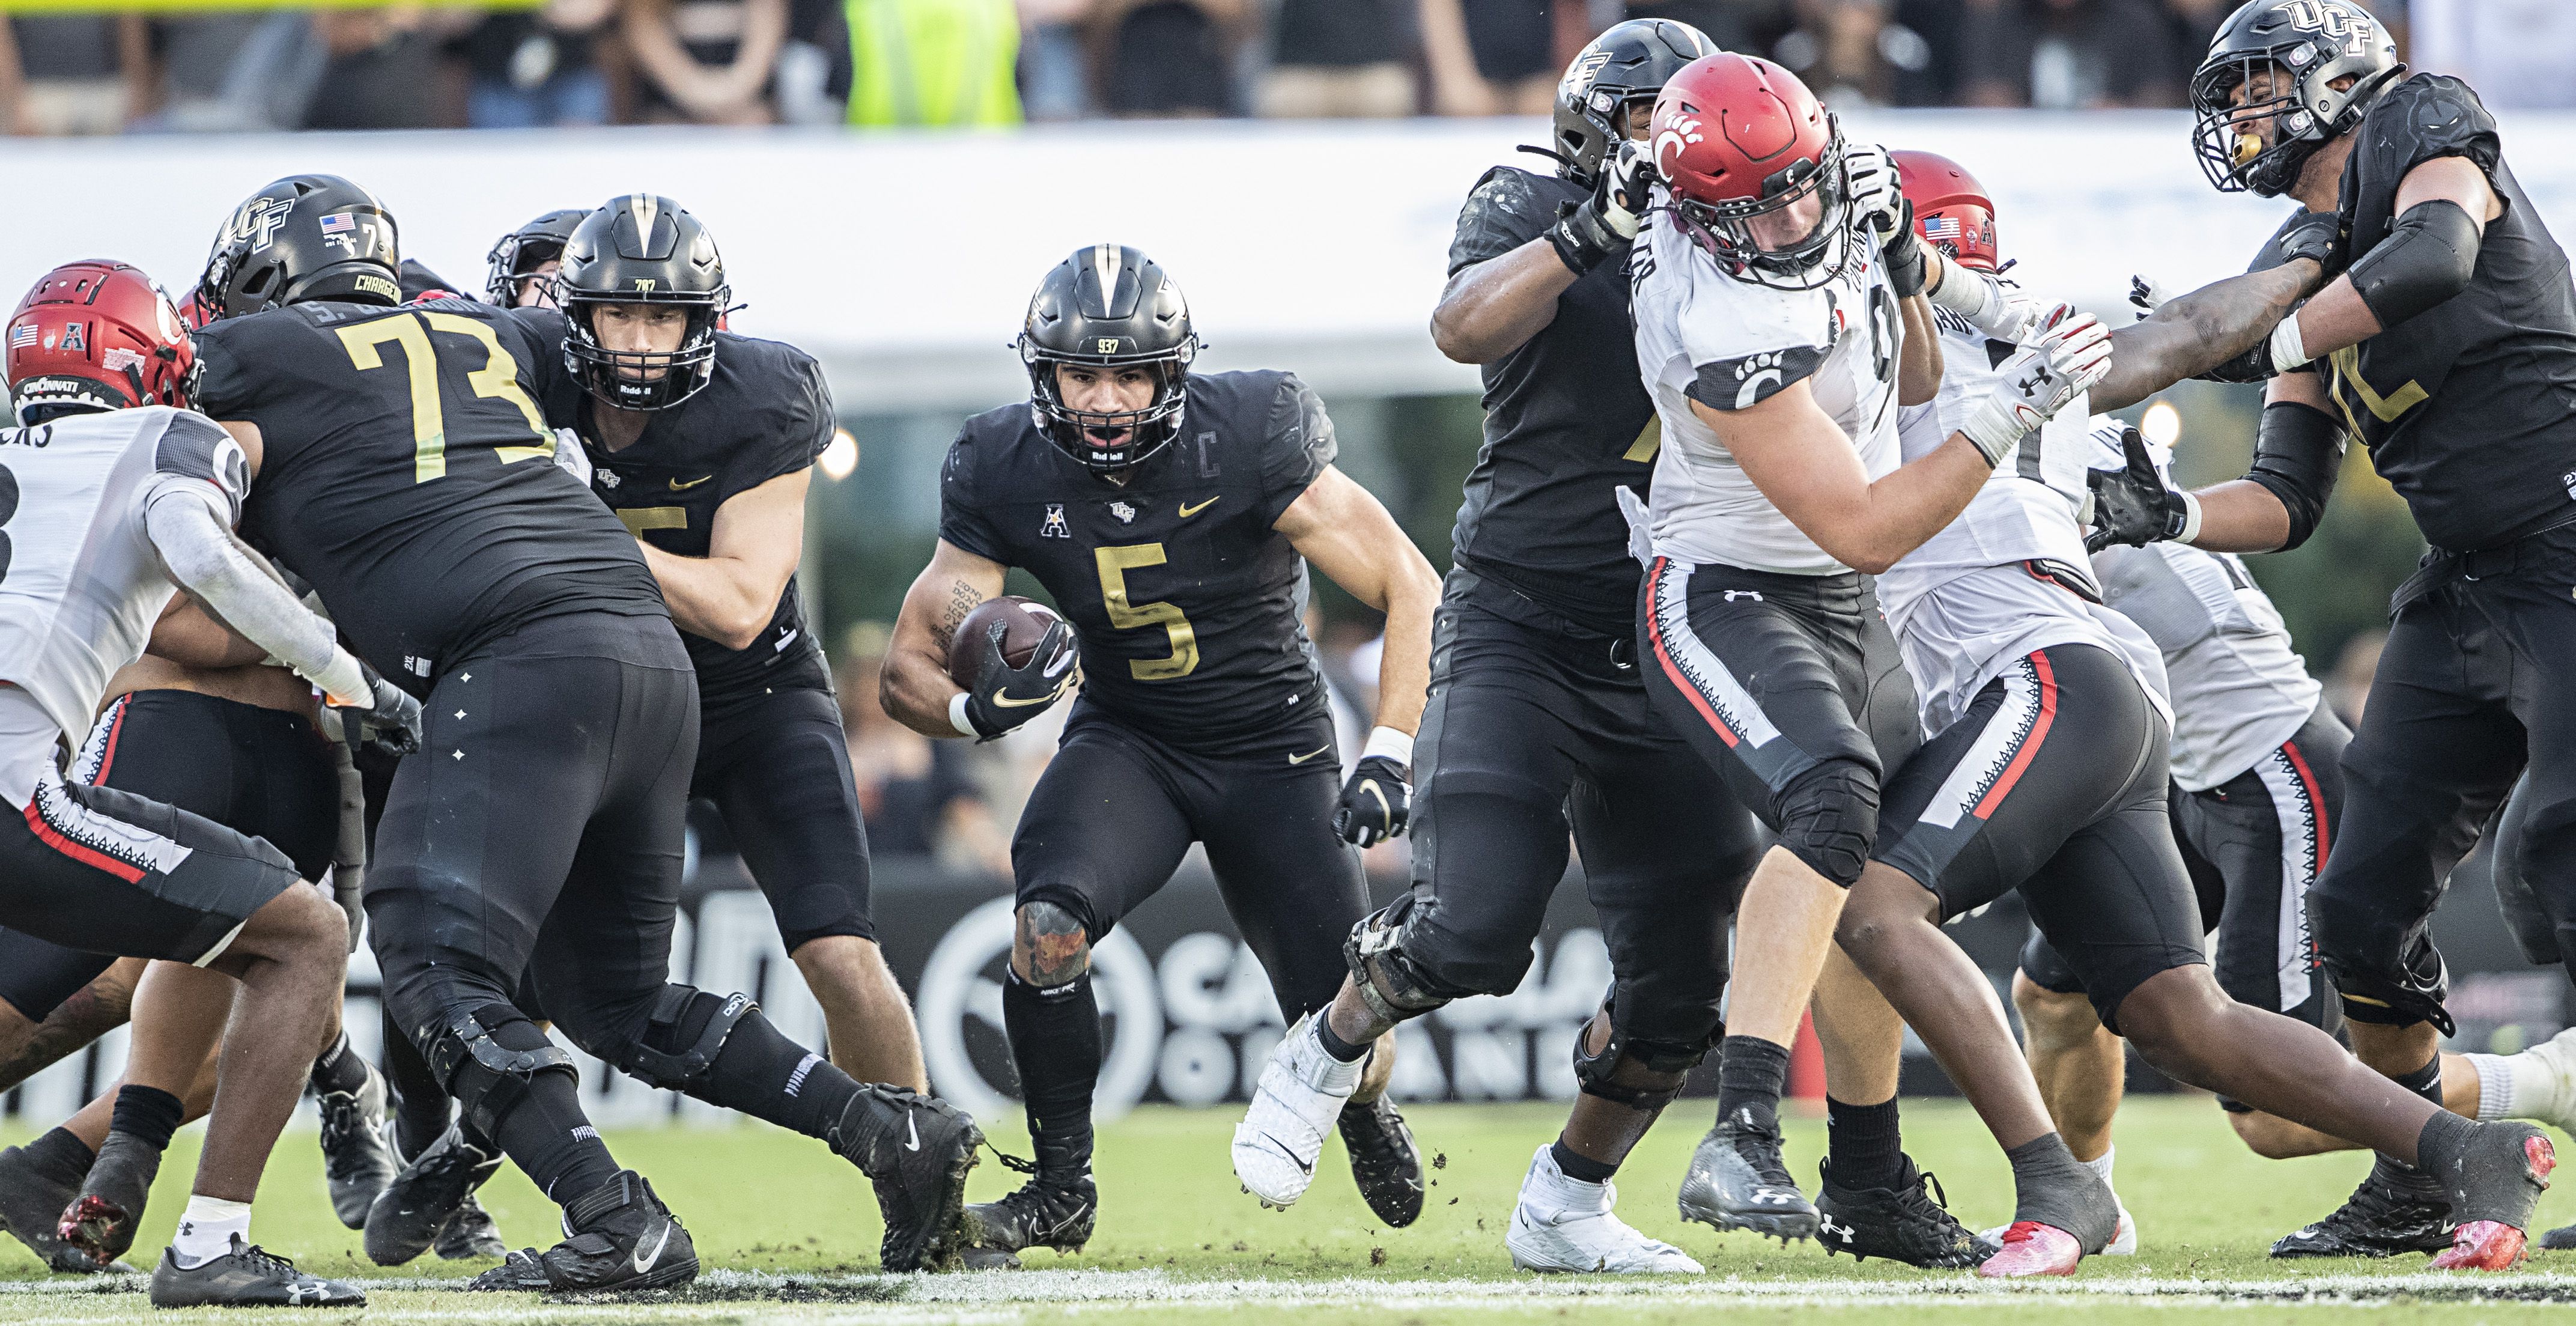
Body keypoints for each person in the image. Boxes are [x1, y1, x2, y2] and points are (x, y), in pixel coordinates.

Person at [1245, 20, 1969, 1275]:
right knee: (1472, 926)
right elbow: (1461, 328)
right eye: (1648, 132)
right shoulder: (1535, 202)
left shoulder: (1766, 228)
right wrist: (1590, 231)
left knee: (1680, 991)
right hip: (1526, 617)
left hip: (1684, 626)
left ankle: (1568, 1196)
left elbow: (1903, 389)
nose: (1676, 161)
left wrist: (1897, 260)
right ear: (1600, 139)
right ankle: (1332, 1040)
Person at [187, 174, 982, 1291]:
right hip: (648, 670)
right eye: (620, 315)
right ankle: (890, 1131)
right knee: (613, 998)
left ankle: (615, 1216)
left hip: (540, 668)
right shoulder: (485, 335)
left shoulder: (256, 358)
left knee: (429, 957)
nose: (641, 340)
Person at [1823, 128, 2554, 1277]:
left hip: (2070, 682)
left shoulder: (1931, 351)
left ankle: (2055, 1189)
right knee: (2174, 1017)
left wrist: (1899, 265)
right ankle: (2470, 1151)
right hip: (2116, 707)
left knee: (1868, 910)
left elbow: (1924, 367)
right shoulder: (2018, 346)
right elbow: (2149, 337)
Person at [2085, 0, 2576, 1262]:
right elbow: (2288, 501)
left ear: (2332, 76)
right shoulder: (2301, 247)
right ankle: (2418, 1174)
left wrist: (2266, 340)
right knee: (2357, 908)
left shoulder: (2417, 121)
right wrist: (2167, 512)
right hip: (2464, 579)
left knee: (2553, 870)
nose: (2238, 114)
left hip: (2566, 541)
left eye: (2254, 86)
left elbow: (2431, 259)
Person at [1617, 51, 2107, 1246]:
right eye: (1753, 207)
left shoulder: (1836, 175)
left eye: (1798, 186)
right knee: (1827, 805)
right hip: (1724, 585)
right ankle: (1737, 1137)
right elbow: (1869, 525)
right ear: (1693, 212)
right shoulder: (1713, 315)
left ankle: (1869, 1180)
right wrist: (2016, 405)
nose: (1788, 219)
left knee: (1869, 877)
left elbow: (1910, 363)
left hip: (1834, 601)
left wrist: (1940, 287)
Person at [881, 244, 1441, 1265]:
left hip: (1275, 744)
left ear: (1171, 373)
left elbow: (1412, 583)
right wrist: (974, 712)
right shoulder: (999, 463)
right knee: (1047, 926)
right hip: (1131, 738)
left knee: (1351, 1020)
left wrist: (1391, 753)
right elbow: (904, 671)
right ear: (1042, 375)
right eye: (1082, 374)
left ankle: (1357, 1107)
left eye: (1129, 372)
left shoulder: (1251, 433)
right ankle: (1060, 1191)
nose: (1104, 399)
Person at [2011, 416, 2576, 1260]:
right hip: (2187, 777)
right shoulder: (2027, 449)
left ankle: (2550, 1081)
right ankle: (2087, 1204)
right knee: (2053, 997)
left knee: (2272, 1119)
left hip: (2277, 774)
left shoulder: (2045, 467)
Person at [0, 258, 401, 1307]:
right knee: (305, 936)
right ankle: (210, 1244)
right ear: (151, 360)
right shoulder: (167, 438)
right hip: (15, 790)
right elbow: (205, 561)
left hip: (37, 771)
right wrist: (348, 677)